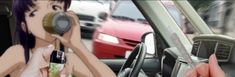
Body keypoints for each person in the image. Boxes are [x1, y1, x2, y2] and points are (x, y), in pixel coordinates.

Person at [0, 0, 116, 77]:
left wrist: (77, 45)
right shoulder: (18, 54)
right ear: (25, 27)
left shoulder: (67, 59)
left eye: (55, 7)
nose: (47, 15)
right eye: (34, 12)